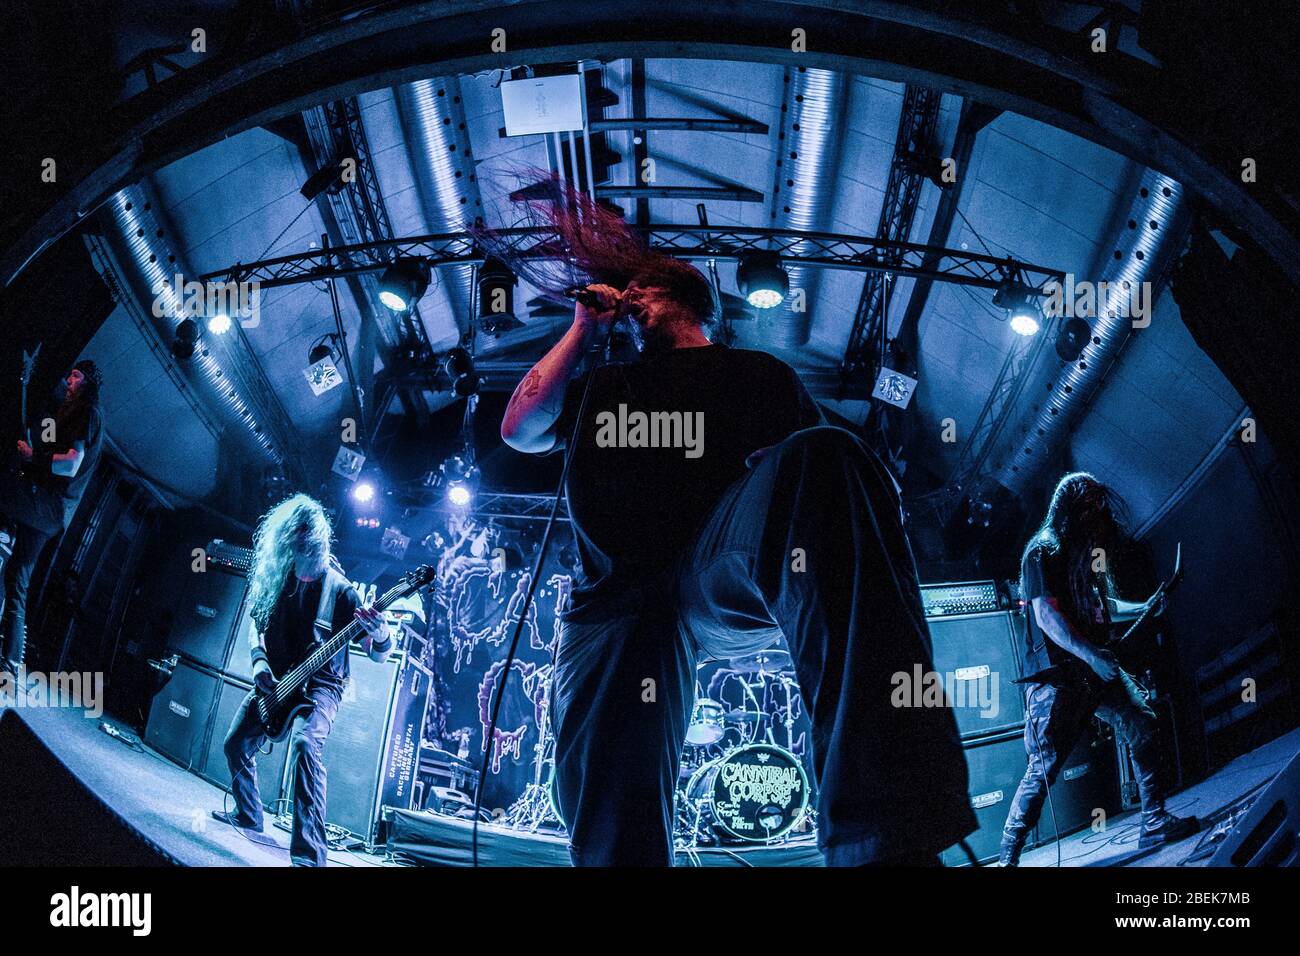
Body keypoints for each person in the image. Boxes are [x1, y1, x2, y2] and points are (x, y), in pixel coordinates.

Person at [495, 182, 975, 867]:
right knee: (612, 802)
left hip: (711, 574)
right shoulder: (603, 386)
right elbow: (519, 428)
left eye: (644, 294)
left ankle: (884, 837)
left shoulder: (757, 375)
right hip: (614, 602)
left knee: (830, 455)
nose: (629, 303)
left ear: (686, 297)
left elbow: (810, 491)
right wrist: (581, 329)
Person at [998, 472, 1198, 866]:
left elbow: (1103, 604)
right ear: (1072, 507)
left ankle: (1153, 820)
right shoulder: (1043, 550)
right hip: (1057, 680)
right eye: (1091, 505)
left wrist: (1142, 606)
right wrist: (1091, 655)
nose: (1099, 513)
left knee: (1139, 718)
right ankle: (1008, 858)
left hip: (1094, 669)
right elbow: (1045, 616)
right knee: (1044, 769)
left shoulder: (1083, 553)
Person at [209, 495, 389, 867]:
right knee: (235, 745)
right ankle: (250, 813)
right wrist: (259, 663)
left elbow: (378, 652)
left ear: (320, 548)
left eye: (310, 559)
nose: (304, 571)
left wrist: (383, 633)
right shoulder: (277, 573)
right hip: (276, 679)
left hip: (323, 685)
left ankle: (310, 856)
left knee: (306, 746)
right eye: (296, 554)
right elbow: (255, 623)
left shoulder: (341, 591)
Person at [1, 359, 104, 675]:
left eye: (75, 376)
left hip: (45, 506)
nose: (69, 381)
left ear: (87, 382)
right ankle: (11, 661)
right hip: (50, 515)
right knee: (18, 577)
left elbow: (71, 464)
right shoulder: (82, 414)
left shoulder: (87, 411)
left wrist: (34, 458)